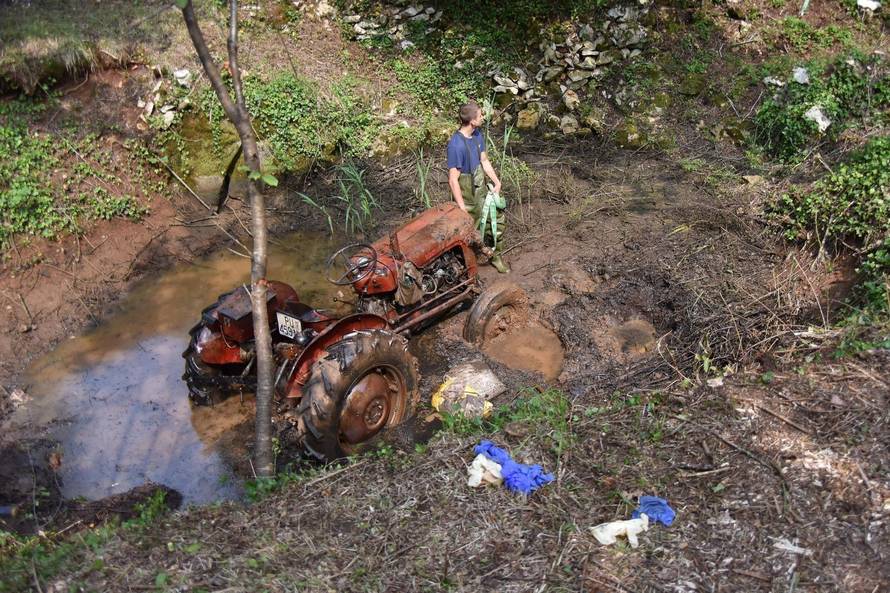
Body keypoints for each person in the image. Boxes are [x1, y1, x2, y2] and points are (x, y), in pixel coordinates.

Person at [447, 102, 510, 274]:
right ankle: (469, 270)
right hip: (467, 197)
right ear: (472, 121)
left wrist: (497, 182)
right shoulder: (456, 145)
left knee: (496, 222)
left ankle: (496, 257)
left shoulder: (477, 135)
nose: (483, 118)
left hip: (482, 190)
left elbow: (484, 160)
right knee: (469, 235)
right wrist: (462, 209)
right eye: (480, 115)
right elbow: (453, 180)